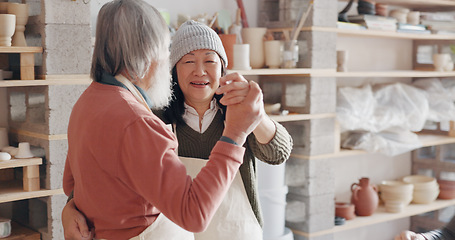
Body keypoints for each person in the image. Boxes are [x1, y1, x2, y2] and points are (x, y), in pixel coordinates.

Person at [62, 19, 293, 240]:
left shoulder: (238, 114)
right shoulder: (154, 117)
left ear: (223, 68)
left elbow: (278, 153)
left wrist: (256, 115)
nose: (200, 71)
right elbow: (107, 166)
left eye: (210, 61)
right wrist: (71, 206)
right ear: (173, 71)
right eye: (189, 61)